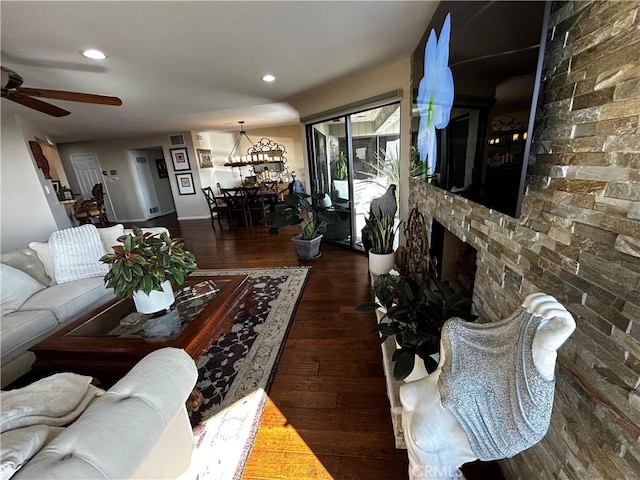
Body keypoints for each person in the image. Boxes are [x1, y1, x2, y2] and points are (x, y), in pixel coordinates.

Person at [399, 293, 576, 480]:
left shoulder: (434, 452)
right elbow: (529, 427)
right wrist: (543, 352)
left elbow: (527, 428)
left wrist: (542, 350)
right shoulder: (498, 427)